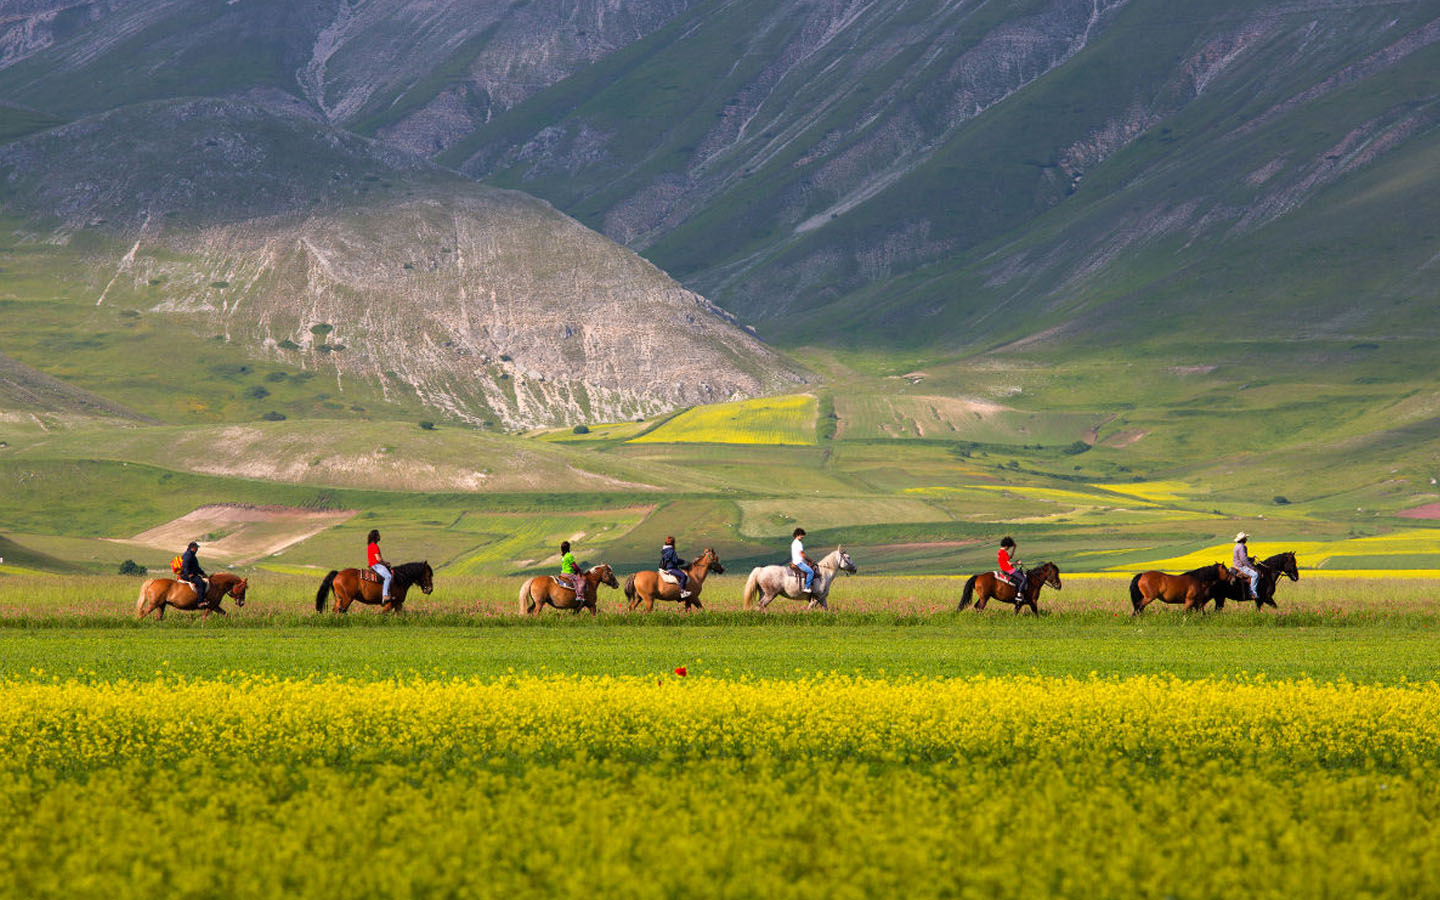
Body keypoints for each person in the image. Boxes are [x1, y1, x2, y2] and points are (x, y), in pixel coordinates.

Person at [367, 529, 393, 603]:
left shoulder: (370, 546)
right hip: (376, 565)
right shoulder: (374, 546)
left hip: (372, 565)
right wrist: (385, 563)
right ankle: (385, 595)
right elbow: (378, 559)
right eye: (378, 535)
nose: (379, 537)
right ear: (375, 537)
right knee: (388, 576)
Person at [179, 541, 208, 607]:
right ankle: (200, 602)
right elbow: (184, 565)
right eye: (196, 548)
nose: (197, 549)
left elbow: (196, 568)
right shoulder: (189, 555)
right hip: (187, 575)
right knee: (201, 583)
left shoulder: (191, 555)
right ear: (193, 548)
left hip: (191, 574)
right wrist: (188, 575)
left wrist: (203, 573)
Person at [1232, 531, 1260, 601]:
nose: (1246, 540)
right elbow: (1244, 560)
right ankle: (1252, 593)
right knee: (1255, 575)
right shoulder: (1242, 546)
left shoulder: (1236, 546)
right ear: (1243, 539)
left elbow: (1243, 557)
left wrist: (1251, 558)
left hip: (1236, 565)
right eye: (1245, 538)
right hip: (1241, 566)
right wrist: (1252, 567)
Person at [791, 527, 817, 594]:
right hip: (799, 562)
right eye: (801, 535)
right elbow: (802, 555)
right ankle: (807, 587)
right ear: (797, 535)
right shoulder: (798, 543)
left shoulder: (794, 543)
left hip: (796, 561)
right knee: (811, 572)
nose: (802, 536)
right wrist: (811, 560)